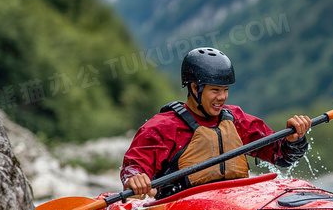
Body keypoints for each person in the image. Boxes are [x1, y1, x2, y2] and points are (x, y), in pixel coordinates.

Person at [121, 47, 311, 198]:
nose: (222, 97)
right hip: (183, 206)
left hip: (236, 200)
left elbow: (282, 157)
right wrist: (135, 178)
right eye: (215, 90)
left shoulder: (236, 119)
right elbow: (134, 166)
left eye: (225, 89)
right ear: (195, 88)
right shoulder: (163, 127)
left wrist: (294, 140)